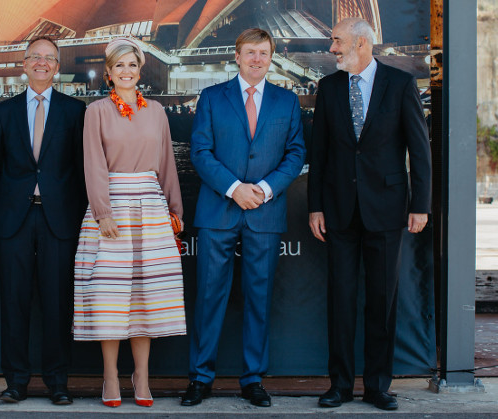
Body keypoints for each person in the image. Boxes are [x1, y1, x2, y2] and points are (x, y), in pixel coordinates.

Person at [307, 18, 432, 411]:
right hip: (339, 212)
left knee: (383, 301)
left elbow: (420, 149)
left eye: (337, 41)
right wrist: (315, 206)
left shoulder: (399, 84)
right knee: (341, 302)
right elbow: (320, 154)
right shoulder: (328, 88)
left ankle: (378, 386)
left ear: (361, 43)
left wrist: (420, 204)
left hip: (388, 209)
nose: (332, 48)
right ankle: (340, 386)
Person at [182, 28, 305, 408]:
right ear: (236, 56)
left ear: (271, 57)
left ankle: (253, 379)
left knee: (259, 298)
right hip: (219, 210)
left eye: (263, 53)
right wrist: (235, 188)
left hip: (265, 213)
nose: (256, 59)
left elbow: (296, 153)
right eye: (250, 52)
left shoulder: (287, 101)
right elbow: (201, 152)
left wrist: (264, 190)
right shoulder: (212, 97)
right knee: (209, 297)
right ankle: (201, 378)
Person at [73, 37, 187, 408]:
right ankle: (110, 375)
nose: (126, 71)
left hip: (151, 209)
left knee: (145, 297)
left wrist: (175, 209)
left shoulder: (156, 111)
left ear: (141, 70)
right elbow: (93, 164)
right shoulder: (97, 112)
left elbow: (167, 163)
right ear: (108, 73)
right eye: (119, 66)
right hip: (112, 209)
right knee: (110, 297)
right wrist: (102, 212)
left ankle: (142, 374)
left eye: (132, 65)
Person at [0, 36, 86, 405]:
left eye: (49, 58)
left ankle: (58, 381)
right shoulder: (3, 111)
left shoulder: (76, 111)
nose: (42, 63)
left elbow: (81, 169)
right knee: (13, 301)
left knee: (58, 302)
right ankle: (16, 381)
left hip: (59, 220)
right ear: (24, 64)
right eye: (35, 57)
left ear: (57, 67)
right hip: (14, 219)